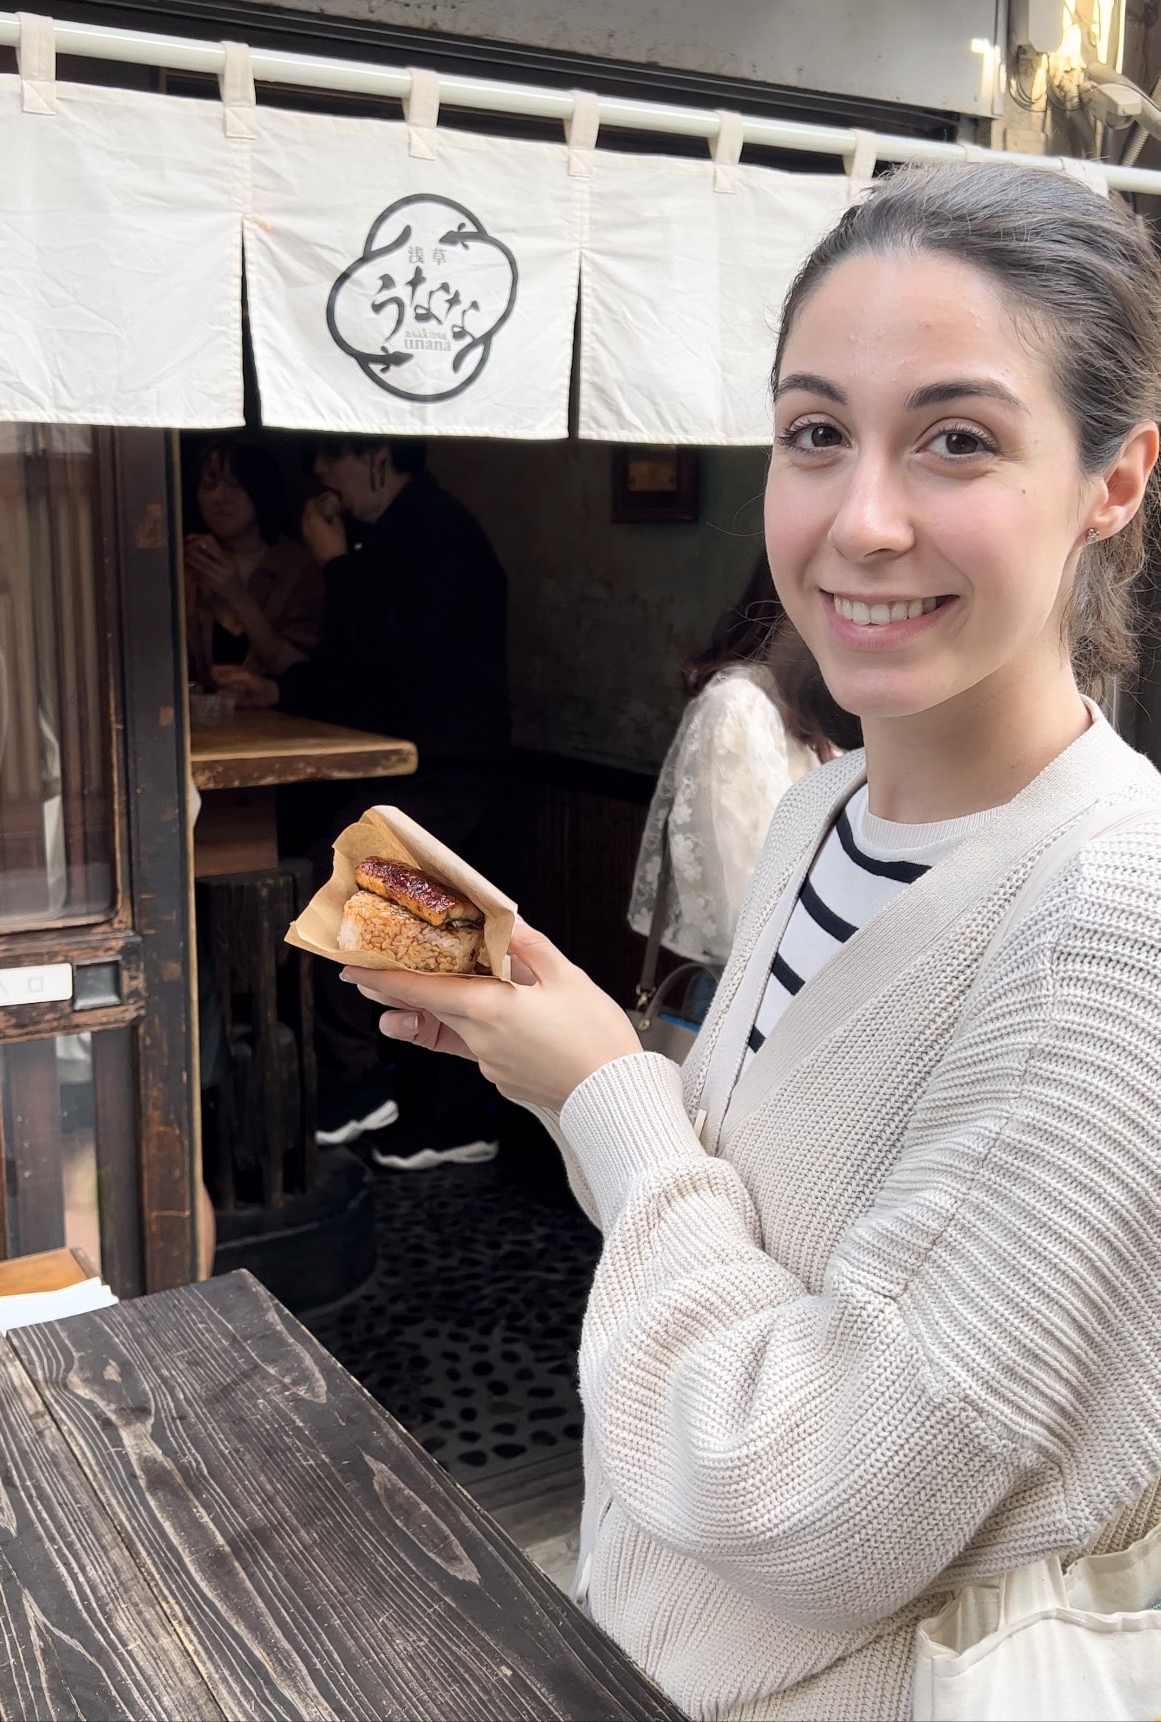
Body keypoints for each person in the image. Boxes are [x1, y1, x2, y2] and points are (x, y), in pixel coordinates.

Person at [341, 162, 1161, 1719]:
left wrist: (606, 1091)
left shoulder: (1111, 930)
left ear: (1113, 481)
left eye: (958, 439)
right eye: (812, 433)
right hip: (640, 1647)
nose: (859, 518)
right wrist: (565, 1053)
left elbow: (811, 1491)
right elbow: (725, 1219)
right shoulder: (820, 811)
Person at [215, 435, 511, 1165]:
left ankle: (389, 1096)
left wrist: (334, 565)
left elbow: (391, 664)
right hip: (428, 764)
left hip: (445, 766)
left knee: (361, 898)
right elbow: (356, 669)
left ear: (379, 456)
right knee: (430, 944)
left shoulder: (437, 531)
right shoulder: (395, 533)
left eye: (332, 456)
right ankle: (443, 1115)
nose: (319, 473)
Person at [629, 553, 855, 980]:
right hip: (755, 984)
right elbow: (747, 907)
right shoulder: (738, 706)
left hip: (801, 980)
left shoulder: (820, 701)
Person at [184, 439, 324, 681]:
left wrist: (237, 596)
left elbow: (300, 670)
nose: (219, 497)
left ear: (261, 489)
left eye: (235, 484)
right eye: (208, 484)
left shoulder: (299, 568)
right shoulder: (187, 561)